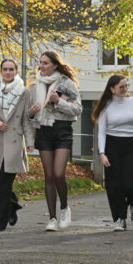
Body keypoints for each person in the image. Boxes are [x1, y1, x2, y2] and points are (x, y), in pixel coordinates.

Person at [26, 50, 82, 232]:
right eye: (40, 63)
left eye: (45, 63)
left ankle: (65, 208)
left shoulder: (67, 83)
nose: (41, 66)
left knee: (59, 173)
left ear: (55, 65)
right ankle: (52, 218)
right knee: (49, 175)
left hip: (62, 130)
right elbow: (29, 117)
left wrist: (58, 101)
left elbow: (77, 109)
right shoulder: (34, 85)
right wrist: (31, 113)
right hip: (43, 131)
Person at [0, 58, 34, 231]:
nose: (8, 72)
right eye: (5, 69)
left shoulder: (24, 92)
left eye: (11, 69)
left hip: (15, 141)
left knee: (5, 182)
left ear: (16, 72)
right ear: (1, 71)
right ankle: (12, 205)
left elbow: (26, 119)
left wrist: (30, 142)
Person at [92, 75, 133, 231]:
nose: (125, 89)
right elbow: (101, 132)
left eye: (126, 86)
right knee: (115, 185)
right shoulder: (106, 105)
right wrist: (102, 153)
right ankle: (120, 218)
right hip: (112, 146)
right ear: (112, 89)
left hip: (131, 145)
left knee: (130, 182)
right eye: (121, 87)